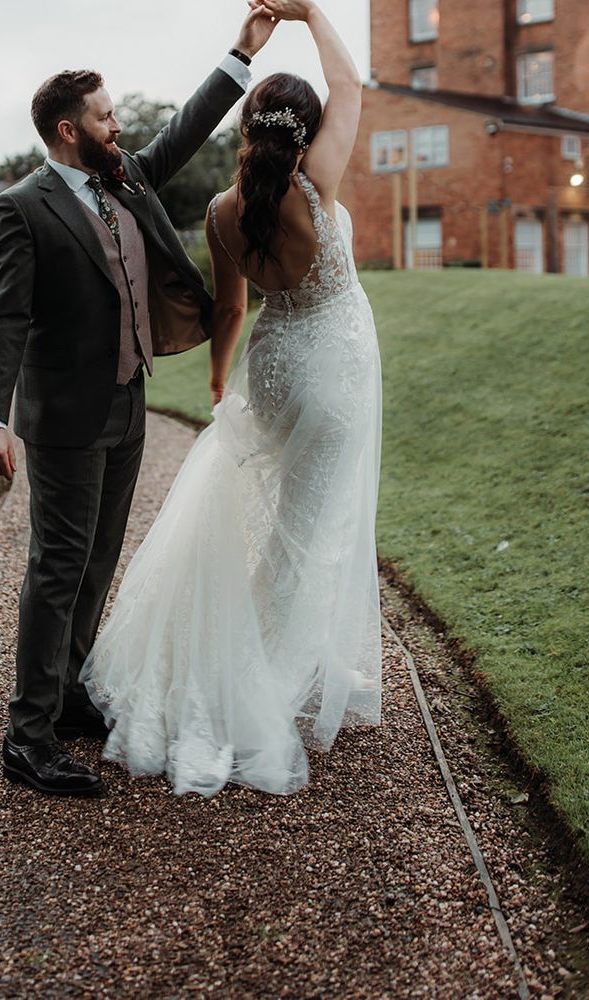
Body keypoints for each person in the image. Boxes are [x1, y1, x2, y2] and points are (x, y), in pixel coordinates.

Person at [0, 5, 283, 797]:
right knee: (57, 567)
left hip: (127, 404)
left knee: (98, 560)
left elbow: (182, 131)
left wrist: (239, 57)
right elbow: (5, 320)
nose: (120, 125)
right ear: (70, 130)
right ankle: (27, 735)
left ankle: (69, 692)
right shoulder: (22, 207)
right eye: (106, 116)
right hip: (66, 418)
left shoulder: (126, 177)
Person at [80, 0, 383, 797]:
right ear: (305, 133)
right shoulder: (317, 181)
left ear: (247, 130)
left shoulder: (221, 210)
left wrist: (222, 380)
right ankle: (257, 682)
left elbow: (229, 310)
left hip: (274, 369)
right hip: (332, 371)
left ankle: (276, 649)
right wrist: (313, 12)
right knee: (303, 532)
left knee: (283, 518)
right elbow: (350, 80)